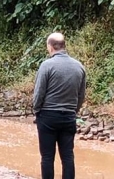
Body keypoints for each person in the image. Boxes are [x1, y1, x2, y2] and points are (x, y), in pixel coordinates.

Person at [32, 32, 86, 179]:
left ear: (50, 47)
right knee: (68, 156)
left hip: (48, 116)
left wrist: (37, 111)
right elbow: (81, 95)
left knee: (47, 157)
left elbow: (39, 93)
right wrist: (73, 111)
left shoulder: (47, 65)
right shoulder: (79, 67)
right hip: (69, 116)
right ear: (64, 46)